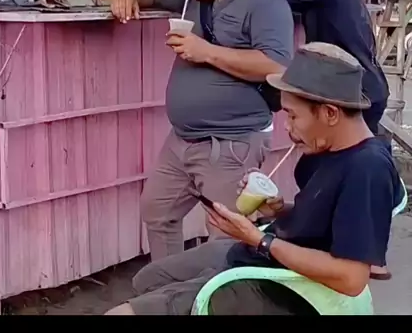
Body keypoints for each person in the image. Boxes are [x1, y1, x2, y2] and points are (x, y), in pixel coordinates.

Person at [105, 42, 402, 315]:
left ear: (330, 114)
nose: (287, 126)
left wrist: (259, 239)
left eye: (293, 116)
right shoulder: (328, 148)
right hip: (262, 254)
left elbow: (351, 278)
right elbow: (327, 221)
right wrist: (278, 210)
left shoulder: (367, 169)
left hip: (285, 287)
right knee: (149, 278)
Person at [110, 0, 294, 261]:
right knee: (157, 210)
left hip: (232, 142)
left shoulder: (265, 2)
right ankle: (168, 287)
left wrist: (206, 52)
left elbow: (277, 67)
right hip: (182, 139)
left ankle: (219, 291)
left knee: (225, 236)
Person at [279, 0, 392, 279]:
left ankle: (361, 257)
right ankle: (343, 248)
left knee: (347, 170)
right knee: (326, 169)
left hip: (356, 90)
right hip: (357, 86)